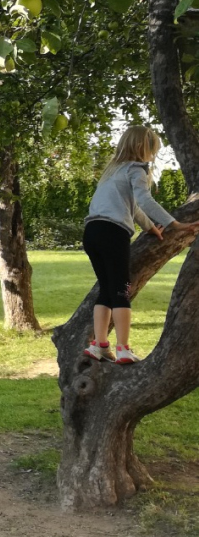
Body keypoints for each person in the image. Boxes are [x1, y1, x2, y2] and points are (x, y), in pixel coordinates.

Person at [82, 125, 199, 363]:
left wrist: (151, 227)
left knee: (106, 289)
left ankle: (99, 345)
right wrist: (174, 224)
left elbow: (133, 208)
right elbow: (144, 200)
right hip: (113, 233)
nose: (152, 157)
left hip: (92, 232)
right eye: (152, 151)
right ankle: (123, 348)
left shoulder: (112, 171)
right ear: (140, 147)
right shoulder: (136, 169)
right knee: (122, 290)